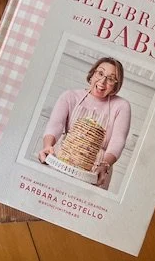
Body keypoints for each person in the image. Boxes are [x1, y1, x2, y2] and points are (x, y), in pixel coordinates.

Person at [38, 57, 131, 189]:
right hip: (62, 161)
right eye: (100, 73)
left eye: (110, 79)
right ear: (92, 74)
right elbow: (55, 125)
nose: (102, 81)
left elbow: (118, 140)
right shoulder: (70, 96)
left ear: (116, 85)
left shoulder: (121, 106)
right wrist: (48, 145)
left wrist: (105, 165)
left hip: (97, 171)